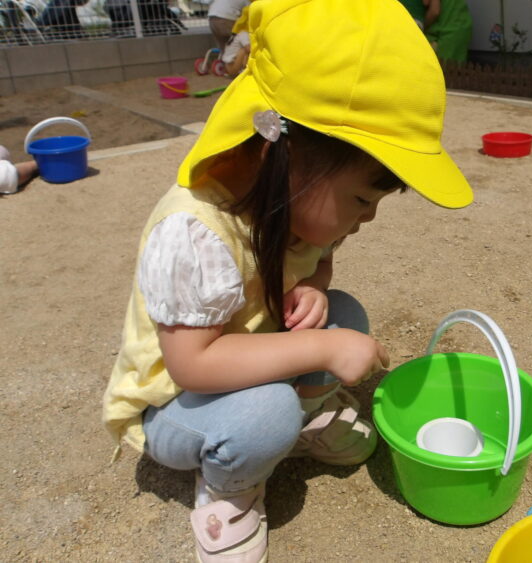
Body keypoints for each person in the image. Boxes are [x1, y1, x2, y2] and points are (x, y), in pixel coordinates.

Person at [101, 0, 472, 561]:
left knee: (344, 312)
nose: (369, 217)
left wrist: (315, 287)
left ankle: (304, 421)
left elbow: (319, 258)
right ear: (288, 156)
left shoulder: (296, 204)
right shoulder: (195, 231)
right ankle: (228, 488)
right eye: (363, 198)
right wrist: (321, 348)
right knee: (267, 411)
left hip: (250, 353)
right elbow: (192, 365)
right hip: (177, 405)